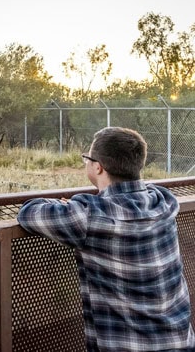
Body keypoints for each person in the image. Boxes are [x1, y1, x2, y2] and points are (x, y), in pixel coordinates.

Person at [17, 127, 195, 352]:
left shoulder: (88, 216)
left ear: (98, 167)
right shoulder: (163, 200)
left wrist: (67, 206)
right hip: (181, 342)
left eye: (87, 160)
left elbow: (28, 212)